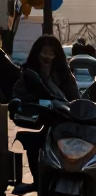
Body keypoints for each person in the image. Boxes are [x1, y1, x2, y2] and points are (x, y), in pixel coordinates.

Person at [14, 36, 79, 187]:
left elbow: (76, 98)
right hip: (46, 122)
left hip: (66, 123)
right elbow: (18, 94)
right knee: (31, 142)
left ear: (57, 55)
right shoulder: (29, 74)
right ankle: (39, 183)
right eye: (44, 52)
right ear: (37, 53)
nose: (47, 56)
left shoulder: (65, 75)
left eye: (51, 53)